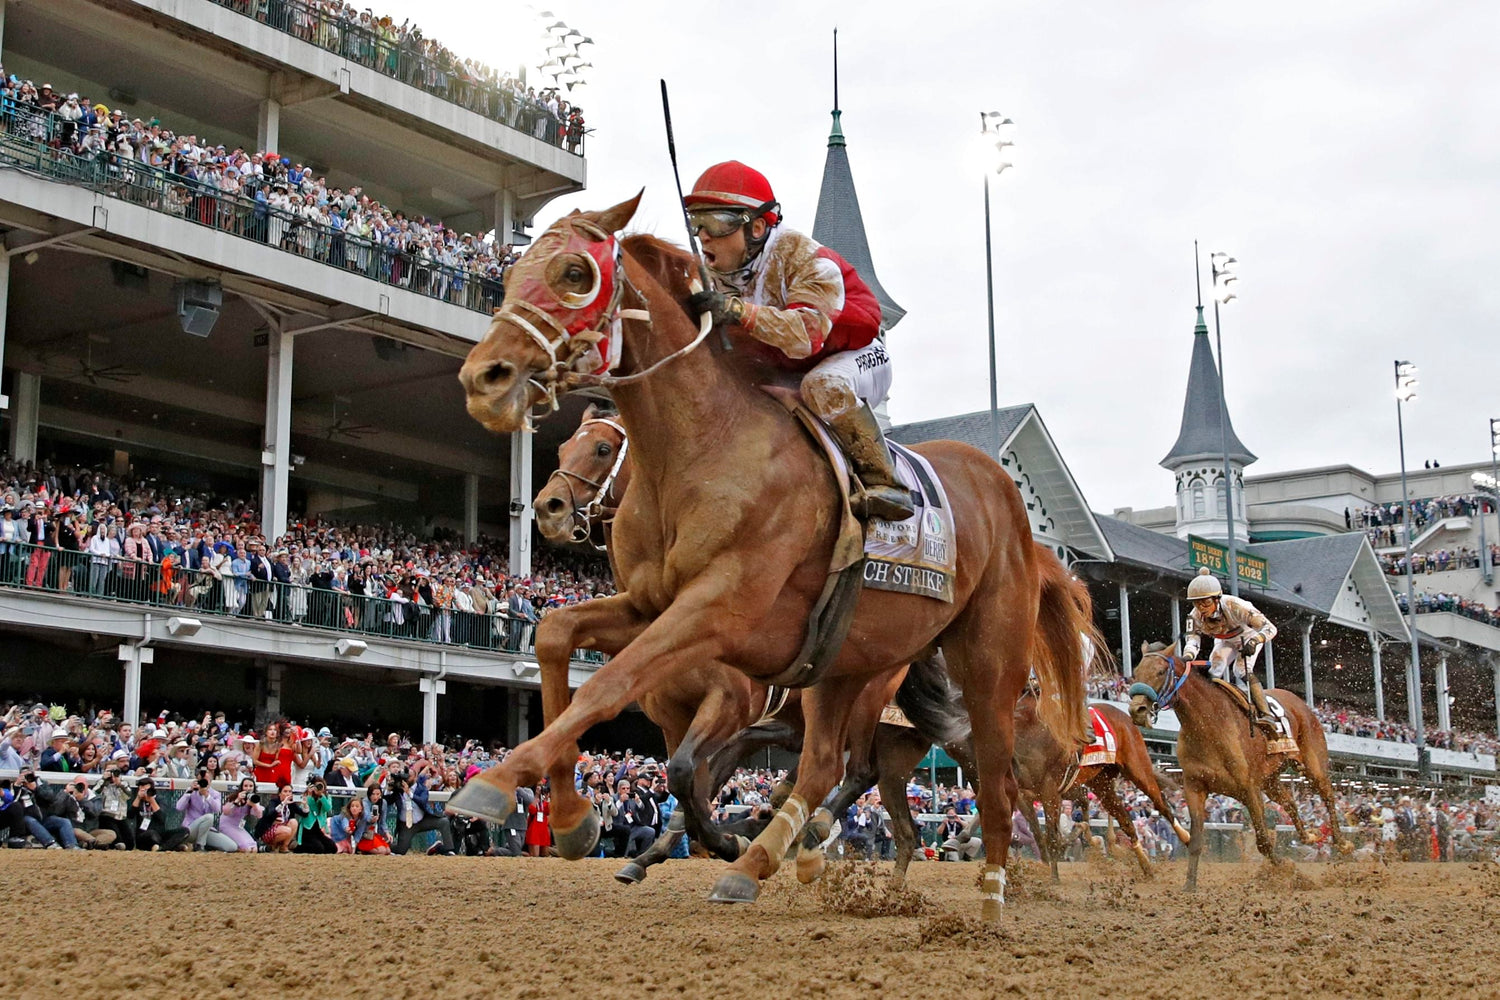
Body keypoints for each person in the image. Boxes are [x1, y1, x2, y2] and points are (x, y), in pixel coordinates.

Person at [682, 160, 911, 521]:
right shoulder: (713, 274)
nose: (703, 235)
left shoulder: (806, 258)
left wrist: (740, 312)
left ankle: (886, 483)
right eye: (697, 223)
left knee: (823, 384)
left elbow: (806, 335)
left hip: (856, 355)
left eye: (715, 223)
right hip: (789, 368)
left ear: (757, 227)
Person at [1180, 567, 1279, 733]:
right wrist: (1187, 656)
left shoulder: (1236, 606)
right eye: (1197, 603)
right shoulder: (1194, 616)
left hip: (1248, 636)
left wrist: (1255, 641)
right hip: (1225, 641)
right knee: (1214, 669)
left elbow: (1270, 628)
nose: (1201, 608)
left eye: (1206, 602)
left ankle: (1266, 713)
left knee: (1240, 670)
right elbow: (1193, 639)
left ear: (1217, 599)